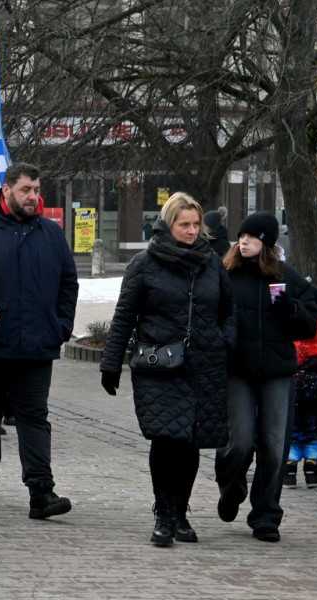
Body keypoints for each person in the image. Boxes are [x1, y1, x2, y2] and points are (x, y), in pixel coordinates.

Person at [100, 192, 235, 546]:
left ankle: (180, 513)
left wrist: (224, 341)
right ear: (168, 223)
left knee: (190, 441)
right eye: (184, 224)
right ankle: (163, 512)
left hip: (203, 365)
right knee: (165, 438)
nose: (192, 231)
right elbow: (124, 316)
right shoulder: (145, 263)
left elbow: (229, 311)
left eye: (196, 224)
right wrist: (111, 363)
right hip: (159, 364)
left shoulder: (211, 263)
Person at [0, 163, 79, 519]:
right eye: (26, 189)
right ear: (6, 190)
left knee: (34, 417)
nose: (33, 197)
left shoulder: (49, 234)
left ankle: (41, 492)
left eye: (37, 190)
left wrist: (61, 327)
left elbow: (67, 282)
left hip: (36, 346)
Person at [216, 212, 317, 543]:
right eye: (241, 236)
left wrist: (291, 309)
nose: (243, 241)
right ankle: (231, 489)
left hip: (277, 371)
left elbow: (309, 325)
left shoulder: (287, 279)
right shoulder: (225, 274)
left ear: (267, 244)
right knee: (239, 442)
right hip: (237, 371)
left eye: (251, 237)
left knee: (276, 447)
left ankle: (265, 515)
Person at [287, 307, 317, 488]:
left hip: (293, 383)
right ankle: (312, 469)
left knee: (292, 425)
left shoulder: (290, 328)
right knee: (315, 426)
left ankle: (289, 469)